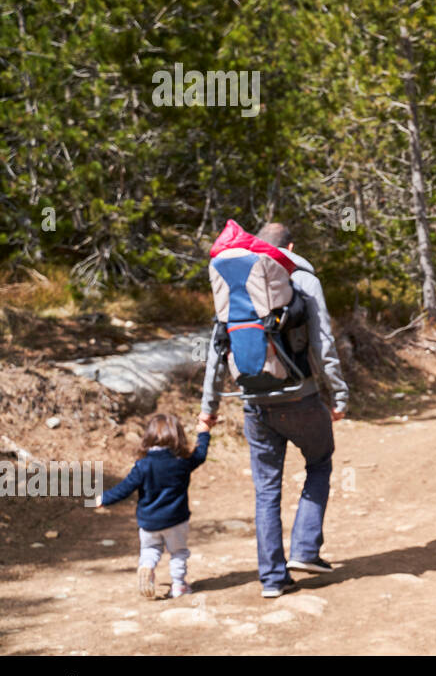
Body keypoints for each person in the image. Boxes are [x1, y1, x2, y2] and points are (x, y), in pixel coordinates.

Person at [200, 221, 349, 598]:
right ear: (291, 246)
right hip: (300, 395)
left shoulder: (237, 285)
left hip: (253, 403)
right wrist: (338, 396)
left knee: (266, 491)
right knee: (319, 462)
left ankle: (272, 579)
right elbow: (323, 345)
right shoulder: (303, 279)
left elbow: (216, 352)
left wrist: (209, 409)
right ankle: (304, 550)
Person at [97, 412, 210, 599]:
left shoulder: (143, 465)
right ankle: (179, 585)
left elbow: (125, 488)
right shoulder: (182, 462)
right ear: (177, 436)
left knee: (150, 550)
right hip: (176, 520)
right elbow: (201, 454)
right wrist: (204, 432)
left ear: (148, 437)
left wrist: (104, 498)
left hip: (149, 521)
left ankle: (147, 567)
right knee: (178, 552)